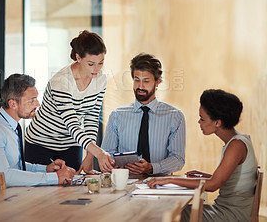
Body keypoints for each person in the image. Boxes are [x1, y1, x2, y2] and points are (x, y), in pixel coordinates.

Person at [148, 89, 258, 222]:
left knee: (166, 214)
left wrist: (168, 180)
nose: (199, 122)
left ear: (217, 122)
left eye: (202, 119)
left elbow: (212, 185)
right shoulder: (239, 140)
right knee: (171, 210)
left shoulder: (236, 146)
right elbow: (226, 180)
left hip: (229, 216)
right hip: (225, 211)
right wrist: (205, 176)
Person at [0, 74, 75, 201]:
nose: (38, 104)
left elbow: (16, 166)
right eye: (32, 100)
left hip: (9, 200)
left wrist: (46, 169)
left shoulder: (10, 126)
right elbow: (4, 176)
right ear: (13, 103)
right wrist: (54, 178)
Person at [25, 30, 114, 174]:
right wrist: (99, 153)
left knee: (72, 190)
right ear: (78, 58)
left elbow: (91, 118)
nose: (96, 69)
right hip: (40, 143)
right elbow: (72, 124)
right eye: (91, 64)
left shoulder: (101, 80)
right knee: (40, 193)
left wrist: (89, 157)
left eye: (100, 63)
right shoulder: (61, 81)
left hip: (71, 144)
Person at [101, 53, 186, 175]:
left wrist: (153, 168)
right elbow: (107, 153)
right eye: (137, 80)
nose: (140, 86)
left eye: (146, 81)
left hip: (160, 186)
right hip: (125, 184)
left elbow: (178, 159)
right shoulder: (117, 115)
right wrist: (113, 165)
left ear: (158, 82)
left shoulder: (174, 116)